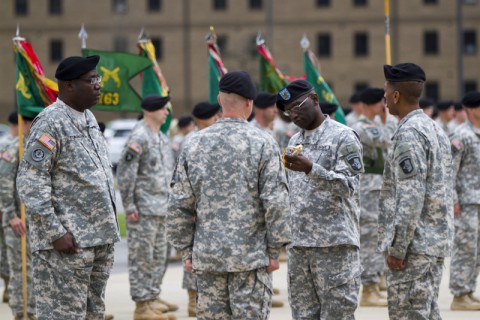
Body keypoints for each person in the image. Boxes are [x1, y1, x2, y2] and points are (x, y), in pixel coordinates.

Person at [167, 71, 291, 320]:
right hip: (251, 259)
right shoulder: (264, 143)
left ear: (219, 100)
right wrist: (275, 250)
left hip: (208, 257)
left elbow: (179, 203)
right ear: (249, 103)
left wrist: (186, 252)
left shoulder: (193, 143)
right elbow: (275, 201)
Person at [16, 55, 120, 319]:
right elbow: (30, 181)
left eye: (98, 78)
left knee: (92, 312)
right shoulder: (50, 122)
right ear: (69, 85)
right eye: (91, 80)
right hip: (68, 243)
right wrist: (55, 231)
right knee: (63, 314)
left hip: (98, 238)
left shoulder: (88, 118)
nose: (98, 85)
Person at [280, 80, 364, 319]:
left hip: (334, 245)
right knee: (303, 314)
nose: (294, 114)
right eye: (288, 111)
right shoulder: (294, 141)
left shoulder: (343, 137)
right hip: (299, 245)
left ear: (315, 100)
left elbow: (350, 186)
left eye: (297, 106)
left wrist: (312, 169)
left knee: (337, 313)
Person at [378, 62, 454, 319]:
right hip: (433, 242)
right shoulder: (434, 128)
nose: (384, 97)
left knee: (409, 314)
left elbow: (411, 196)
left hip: (414, 248)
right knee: (427, 313)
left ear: (396, 95)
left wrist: (398, 248)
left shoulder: (409, 134)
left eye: (387, 91)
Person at [116, 95, 177, 320]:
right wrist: (130, 204)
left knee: (160, 255)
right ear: (149, 111)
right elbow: (126, 173)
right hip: (143, 209)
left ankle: (152, 297)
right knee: (142, 257)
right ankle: (142, 306)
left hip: (162, 207)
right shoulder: (138, 137)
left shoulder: (160, 137)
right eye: (162, 109)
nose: (166, 112)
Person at [351, 87, 397, 307]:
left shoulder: (375, 125)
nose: (384, 106)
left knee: (379, 238)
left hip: (379, 189)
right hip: (368, 190)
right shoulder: (361, 127)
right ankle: (368, 287)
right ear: (372, 104)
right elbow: (388, 139)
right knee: (369, 238)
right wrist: (388, 118)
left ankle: (376, 281)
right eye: (382, 102)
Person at [0, 114, 35, 319]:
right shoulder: (14, 148)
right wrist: (12, 215)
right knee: (20, 270)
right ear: (24, 123)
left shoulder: (35, 146)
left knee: (34, 269)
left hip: (34, 221)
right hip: (17, 222)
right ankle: (21, 312)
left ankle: (33, 310)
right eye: (31, 122)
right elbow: (3, 184)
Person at [448, 91, 480, 310]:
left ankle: (468, 290)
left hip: (477, 200)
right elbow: (449, 171)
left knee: (476, 249)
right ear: (469, 109)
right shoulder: (461, 135)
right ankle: (459, 294)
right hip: (466, 202)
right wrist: (453, 200)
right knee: (465, 247)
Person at [0, 111, 18, 304]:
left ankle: (9, 288)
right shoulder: (8, 145)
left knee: (7, 249)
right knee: (8, 249)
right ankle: (9, 287)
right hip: (7, 205)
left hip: (6, 204)